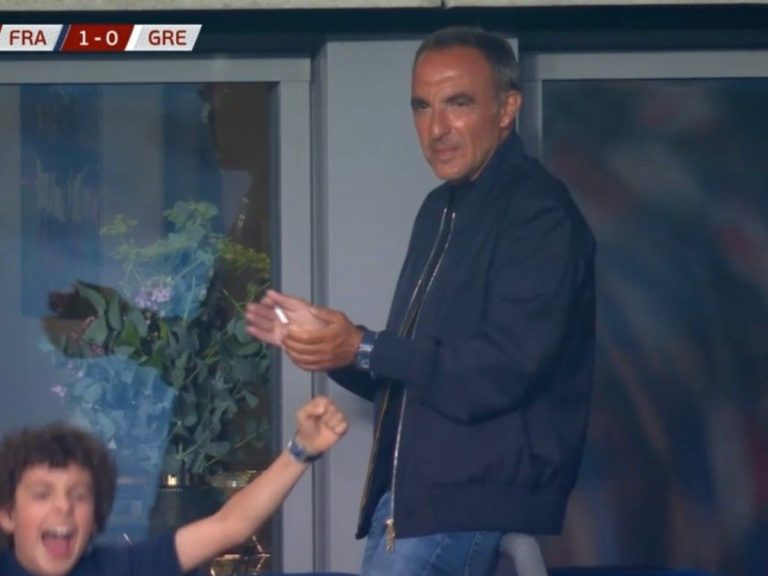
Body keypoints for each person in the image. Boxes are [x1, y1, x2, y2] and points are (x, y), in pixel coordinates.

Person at [246, 26, 596, 576]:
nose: (437, 128)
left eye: (458, 103)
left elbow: (499, 372)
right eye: (422, 106)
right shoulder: (441, 208)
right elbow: (411, 374)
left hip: (462, 503)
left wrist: (361, 345)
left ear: (507, 109)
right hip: (415, 504)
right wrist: (331, 348)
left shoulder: (538, 214)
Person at [0, 395, 347, 576]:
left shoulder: (120, 570)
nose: (64, 507)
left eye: (79, 495)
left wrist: (301, 451)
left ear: (95, 516)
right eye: (42, 494)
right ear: (6, 514)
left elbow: (230, 525)